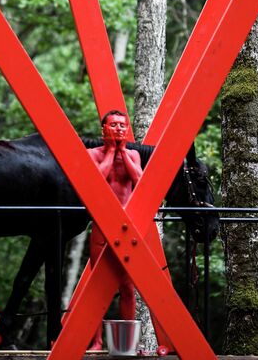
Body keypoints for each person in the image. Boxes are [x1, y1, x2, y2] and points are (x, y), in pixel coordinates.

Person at [86, 110, 142, 351]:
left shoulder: (134, 154)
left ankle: (127, 344)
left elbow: (139, 179)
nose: (119, 129)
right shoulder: (93, 154)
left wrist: (121, 152)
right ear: (103, 130)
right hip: (101, 225)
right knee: (98, 285)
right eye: (114, 125)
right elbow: (96, 181)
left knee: (128, 287)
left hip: (127, 226)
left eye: (122, 125)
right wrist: (110, 151)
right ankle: (97, 341)